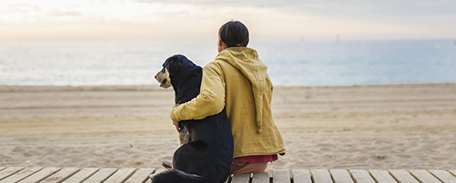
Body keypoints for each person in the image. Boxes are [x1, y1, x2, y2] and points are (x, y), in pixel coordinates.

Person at [170, 20, 285, 174]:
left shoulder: (216, 67)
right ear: (245, 44)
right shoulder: (261, 69)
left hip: (232, 158)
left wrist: (176, 113)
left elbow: (211, 102)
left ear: (219, 42)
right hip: (262, 161)